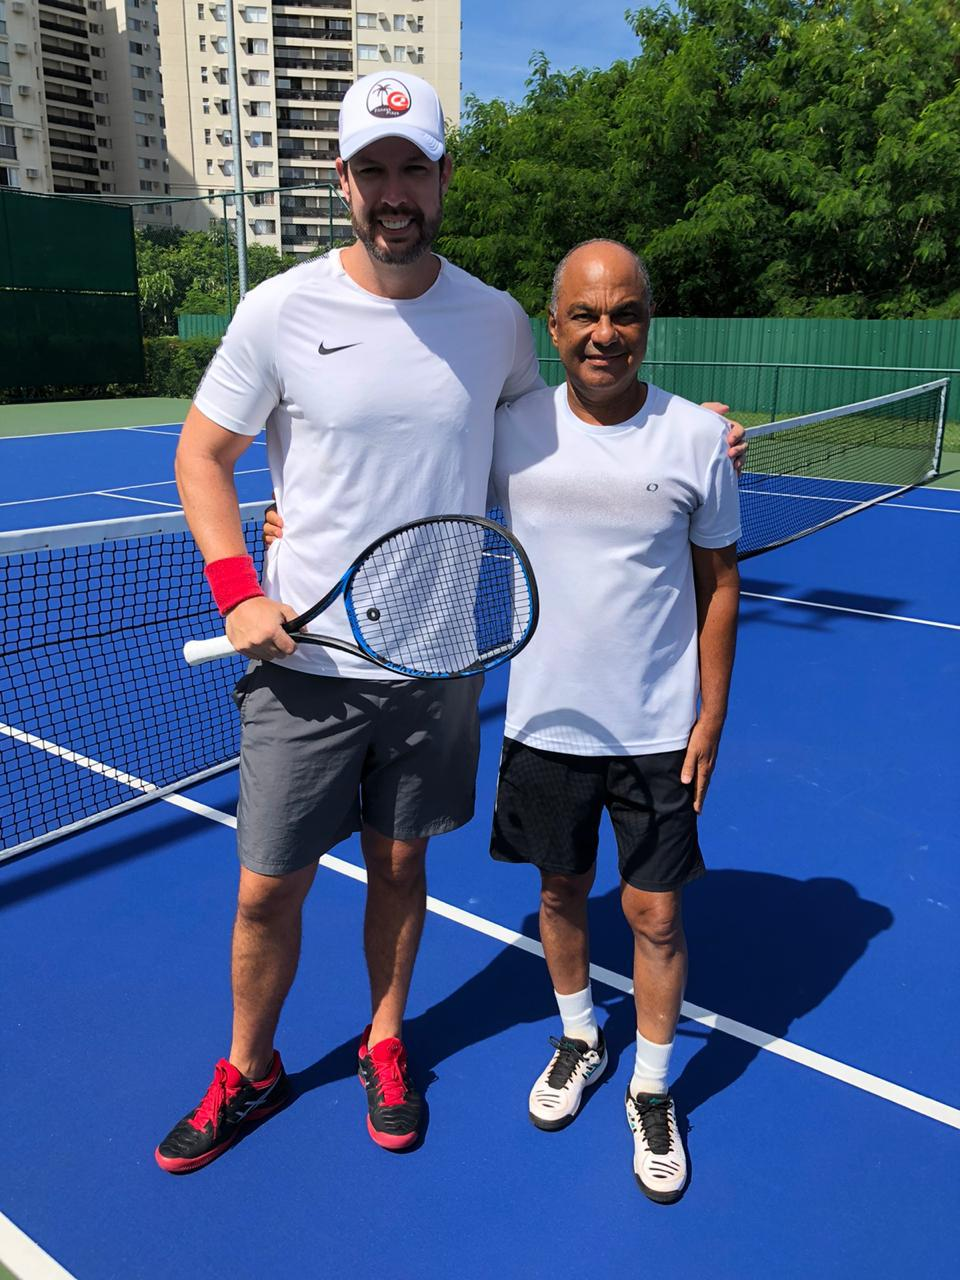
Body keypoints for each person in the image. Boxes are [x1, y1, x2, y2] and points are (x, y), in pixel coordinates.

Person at [158, 69, 744, 1174]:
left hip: (436, 670)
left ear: (441, 179)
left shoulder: (495, 322)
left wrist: (687, 431)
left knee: (399, 871)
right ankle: (249, 1066)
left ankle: (385, 1042)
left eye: (413, 169)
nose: (395, 192)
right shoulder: (277, 309)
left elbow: (560, 436)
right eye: (373, 170)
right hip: (302, 663)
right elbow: (202, 455)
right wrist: (238, 586)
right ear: (343, 180)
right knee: (265, 887)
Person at [488, 240, 740, 1203]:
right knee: (559, 895)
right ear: (553, 326)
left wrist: (711, 715)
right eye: (586, 315)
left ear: (647, 323)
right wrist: (287, 524)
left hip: (658, 731)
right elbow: (407, 490)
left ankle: (652, 1086)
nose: (605, 333)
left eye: (625, 313)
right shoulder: (508, 429)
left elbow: (720, 584)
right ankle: (581, 1037)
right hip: (544, 724)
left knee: (657, 917)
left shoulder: (697, 439)